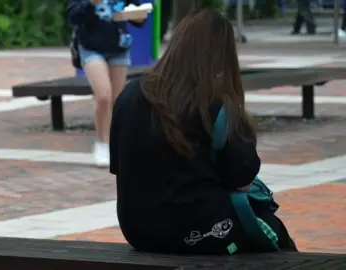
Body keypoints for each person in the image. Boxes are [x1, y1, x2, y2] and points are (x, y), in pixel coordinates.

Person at [110, 9, 297, 255]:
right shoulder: (215, 103)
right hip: (204, 231)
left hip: (139, 231)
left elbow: (120, 168)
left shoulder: (129, 95)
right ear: (224, 55)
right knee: (276, 237)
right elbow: (242, 181)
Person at [66, 0, 146, 167]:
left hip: (119, 46)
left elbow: (137, 14)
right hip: (90, 46)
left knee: (117, 101)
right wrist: (91, 4)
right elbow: (72, 16)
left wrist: (138, 16)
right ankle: (102, 143)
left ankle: (115, 145)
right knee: (103, 96)